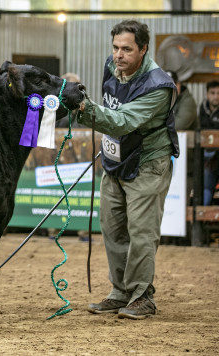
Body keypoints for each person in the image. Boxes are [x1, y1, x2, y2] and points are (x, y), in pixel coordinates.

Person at [77, 20, 179, 319]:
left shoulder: (159, 86)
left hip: (148, 162)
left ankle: (141, 296)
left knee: (141, 231)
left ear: (144, 49)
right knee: (113, 227)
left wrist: (84, 108)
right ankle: (120, 292)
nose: (118, 55)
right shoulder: (112, 66)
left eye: (127, 49)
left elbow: (122, 121)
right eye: (115, 48)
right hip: (115, 159)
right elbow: (111, 108)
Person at [199, 81, 219, 206]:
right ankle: (201, 219)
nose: (216, 96)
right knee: (205, 188)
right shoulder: (202, 108)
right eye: (212, 93)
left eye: (218, 93)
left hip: (216, 156)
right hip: (207, 156)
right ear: (207, 94)